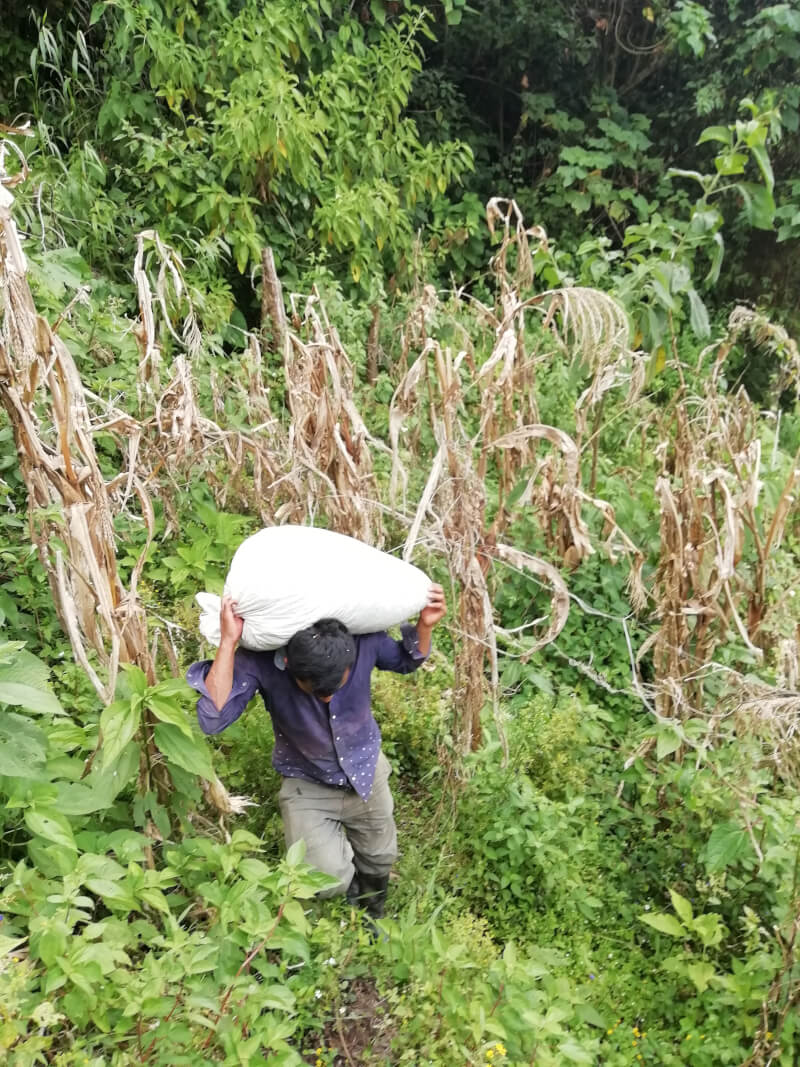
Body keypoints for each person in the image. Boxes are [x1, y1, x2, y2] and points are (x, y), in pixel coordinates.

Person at [186, 585, 446, 922]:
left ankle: (370, 915)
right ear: (289, 663)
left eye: (336, 686)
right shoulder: (266, 662)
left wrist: (424, 626)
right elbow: (213, 717)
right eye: (315, 689)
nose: (326, 697)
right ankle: (348, 891)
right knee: (324, 881)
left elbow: (406, 660)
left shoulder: (363, 640)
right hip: (306, 781)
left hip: (365, 769)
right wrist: (228, 642)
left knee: (381, 855)